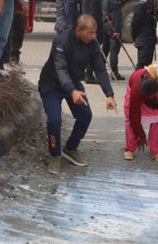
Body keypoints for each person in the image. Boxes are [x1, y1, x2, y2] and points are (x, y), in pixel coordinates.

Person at [38, 15, 117, 175]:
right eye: (91, 33)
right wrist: (71, 91)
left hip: (73, 84)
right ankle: (55, 155)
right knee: (54, 120)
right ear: (78, 30)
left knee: (85, 116)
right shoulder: (62, 41)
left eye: (95, 33)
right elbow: (60, 69)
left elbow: (100, 69)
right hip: (51, 85)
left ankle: (71, 148)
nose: (94, 36)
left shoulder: (93, 43)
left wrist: (109, 94)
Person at [82, 0, 106, 84]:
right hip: (93, 26)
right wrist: (93, 30)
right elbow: (93, 13)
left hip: (87, 24)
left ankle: (84, 73)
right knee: (93, 51)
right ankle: (89, 75)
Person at [102, 0, 126, 81]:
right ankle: (114, 73)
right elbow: (116, 16)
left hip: (106, 25)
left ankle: (100, 69)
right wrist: (117, 31)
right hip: (113, 27)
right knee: (114, 51)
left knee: (105, 49)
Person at [131, 0, 158, 69]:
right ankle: (135, 82)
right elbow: (135, 23)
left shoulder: (152, 2)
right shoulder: (141, 5)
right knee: (141, 65)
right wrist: (134, 38)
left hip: (150, 38)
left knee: (147, 66)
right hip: (144, 39)